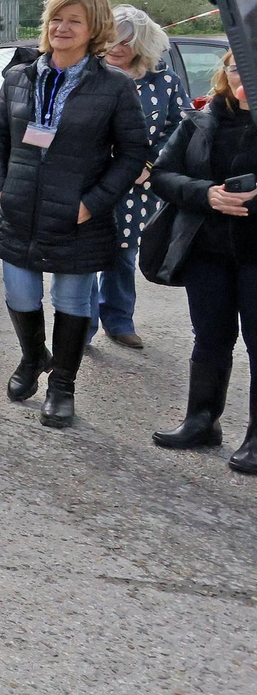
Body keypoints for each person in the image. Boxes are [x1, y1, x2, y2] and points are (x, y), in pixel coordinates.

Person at [0, 0, 149, 429]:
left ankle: (62, 387)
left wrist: (92, 204)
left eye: (74, 20)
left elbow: (133, 154)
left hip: (77, 217)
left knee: (72, 300)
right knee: (20, 294)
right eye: (57, 18)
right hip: (17, 211)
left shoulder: (114, 86)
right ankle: (33, 357)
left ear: (94, 29)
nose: (62, 27)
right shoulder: (20, 77)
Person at [146, 51, 257, 473]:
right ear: (224, 74)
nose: (242, 78)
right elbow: (161, 174)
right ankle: (201, 421)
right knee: (210, 338)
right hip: (208, 251)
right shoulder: (201, 120)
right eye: (235, 69)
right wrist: (206, 193)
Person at [88, 4, 194, 348]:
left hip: (136, 187)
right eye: (112, 40)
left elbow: (180, 128)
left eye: (126, 42)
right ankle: (81, 327)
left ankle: (119, 321)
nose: (117, 48)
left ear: (142, 45)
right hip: (89, 179)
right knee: (84, 254)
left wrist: (148, 164)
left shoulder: (164, 81)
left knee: (122, 254)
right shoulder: (90, 73)